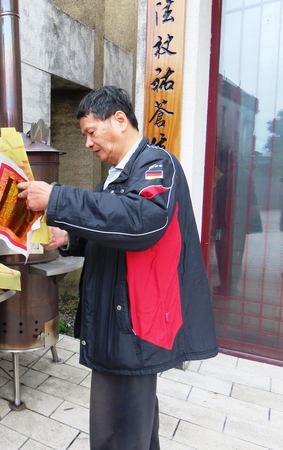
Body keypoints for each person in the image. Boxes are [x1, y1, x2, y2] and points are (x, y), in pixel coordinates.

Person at [17, 86, 218, 449]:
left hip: (134, 321)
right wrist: (69, 237)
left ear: (120, 120)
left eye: (91, 132)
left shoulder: (157, 165)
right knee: (132, 423)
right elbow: (110, 230)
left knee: (120, 428)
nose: (87, 144)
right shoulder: (115, 176)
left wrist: (57, 197)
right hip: (116, 319)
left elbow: (142, 222)